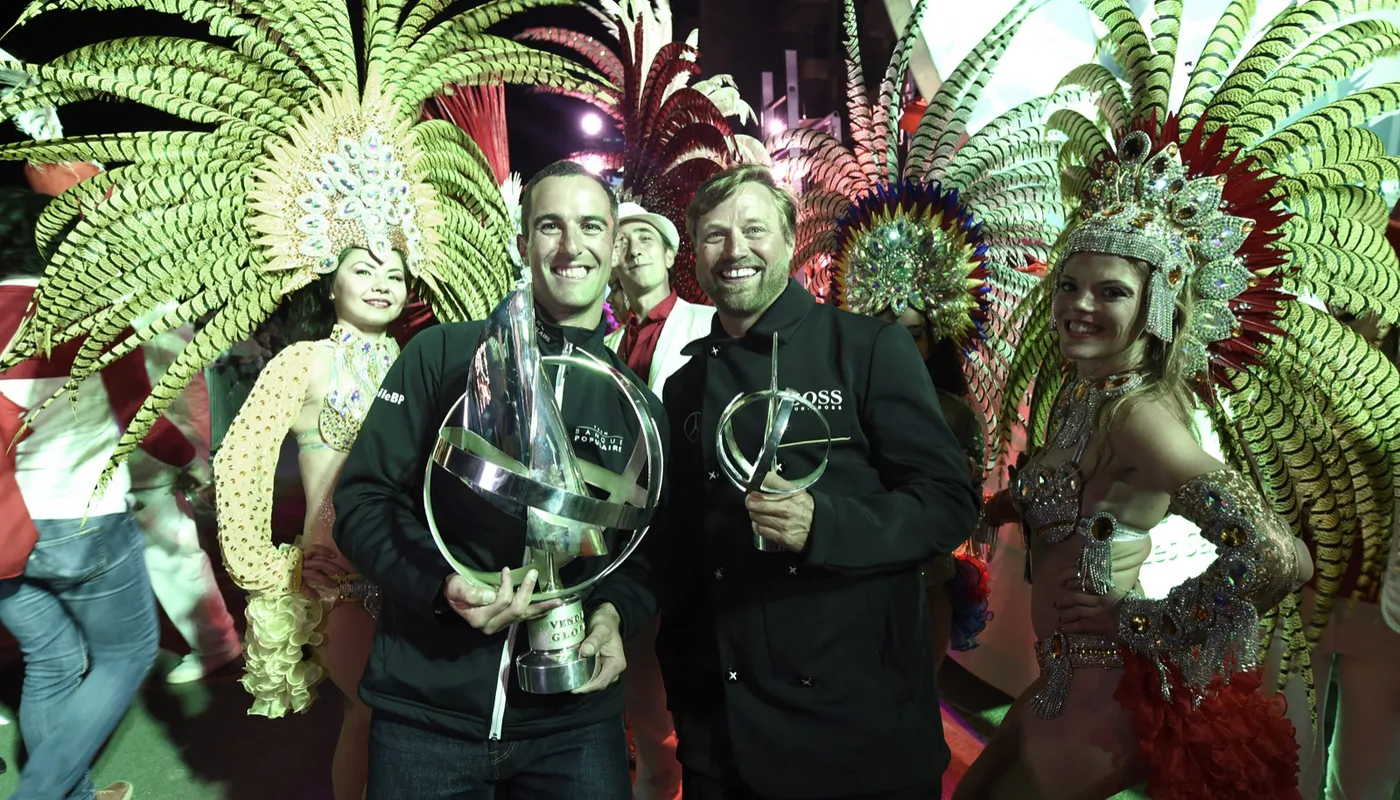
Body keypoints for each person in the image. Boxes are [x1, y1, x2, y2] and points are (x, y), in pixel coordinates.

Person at [956, 3, 1400, 796]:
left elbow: (1276, 555)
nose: (1079, 306)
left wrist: (1139, 621)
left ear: (1156, 306)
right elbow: (1058, 496)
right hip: (1058, 685)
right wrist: (997, 508)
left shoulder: (1142, 417)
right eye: (1069, 285)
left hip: (1101, 703)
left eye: (1111, 291)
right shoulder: (1081, 395)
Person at [632, 163, 978, 799]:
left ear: (791, 242)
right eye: (714, 236)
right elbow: (675, 549)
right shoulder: (683, 387)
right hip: (722, 734)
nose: (735, 250)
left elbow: (949, 502)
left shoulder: (867, 348)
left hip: (856, 731)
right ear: (696, 255)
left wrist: (828, 524)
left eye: (754, 229)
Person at [333, 159, 669, 799]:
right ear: (522, 243)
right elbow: (363, 503)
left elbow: (644, 555)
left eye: (591, 225)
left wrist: (612, 617)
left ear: (613, 244)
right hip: (428, 713)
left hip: (574, 728)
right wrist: (441, 587)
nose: (571, 246)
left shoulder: (638, 406)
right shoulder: (439, 356)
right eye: (550, 225)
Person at [767, 0, 1057, 667]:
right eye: (879, 331)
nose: (894, 348)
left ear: (938, 336)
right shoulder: (828, 398)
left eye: (912, 334)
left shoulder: (952, 415)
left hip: (909, 596)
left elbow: (945, 517)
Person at [0, 185, 201, 800]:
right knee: (128, 653)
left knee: (53, 661)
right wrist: (187, 457)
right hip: (81, 515)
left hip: (4, 531)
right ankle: (41, 793)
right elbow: (139, 411)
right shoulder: (87, 313)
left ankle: (74, 795)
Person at [214, 247, 409, 798]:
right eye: (363, 271)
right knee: (374, 711)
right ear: (330, 286)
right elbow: (241, 457)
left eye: (394, 274)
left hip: (413, 574)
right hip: (340, 580)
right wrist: (272, 565)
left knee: (401, 723)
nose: (380, 284)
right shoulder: (304, 360)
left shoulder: (415, 359)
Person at [605, 200, 716, 800]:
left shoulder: (707, 324)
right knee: (646, 707)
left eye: (647, 237)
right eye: (622, 241)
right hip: (627, 551)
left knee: (694, 708)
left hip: (692, 545)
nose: (635, 248)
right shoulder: (605, 344)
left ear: (672, 254)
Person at [129, 316, 243, 685]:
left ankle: (217, 645)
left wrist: (191, 456)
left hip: (151, 462)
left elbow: (190, 395)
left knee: (173, 557)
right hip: (132, 460)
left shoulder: (163, 320)